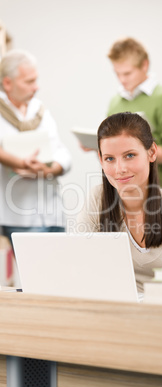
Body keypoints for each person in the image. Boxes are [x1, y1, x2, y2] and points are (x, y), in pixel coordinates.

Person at [75, 112, 162, 293]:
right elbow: (80, 268)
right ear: (101, 160)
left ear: (151, 153)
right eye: (110, 158)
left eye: (129, 155)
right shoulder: (96, 200)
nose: (120, 169)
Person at [0, 49, 72, 245]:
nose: (36, 87)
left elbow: (62, 152)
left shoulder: (40, 111)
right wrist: (20, 162)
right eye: (29, 82)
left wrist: (49, 169)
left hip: (53, 213)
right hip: (19, 215)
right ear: (8, 83)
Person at [106, 37, 162, 190]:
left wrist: (142, 153)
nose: (121, 80)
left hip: (156, 192)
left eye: (127, 73)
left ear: (144, 65)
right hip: (120, 194)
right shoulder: (115, 103)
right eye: (117, 74)